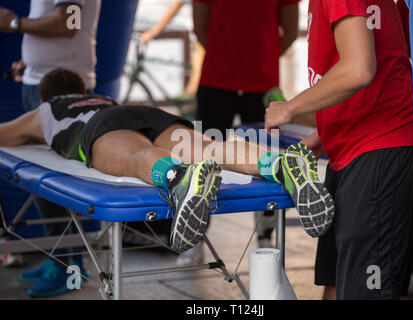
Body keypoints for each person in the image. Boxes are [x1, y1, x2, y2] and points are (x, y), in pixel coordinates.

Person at [0, 68, 335, 254]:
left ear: (46, 96)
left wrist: (34, 130)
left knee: (135, 157)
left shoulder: (47, 109)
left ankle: (178, 178)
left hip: (100, 129)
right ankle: (278, 164)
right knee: (208, 147)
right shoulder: (102, 97)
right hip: (146, 112)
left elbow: (4, 135)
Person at [264, 0, 413, 300]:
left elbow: (358, 69)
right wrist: (323, 133)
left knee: (365, 290)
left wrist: (290, 108)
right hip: (352, 149)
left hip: (381, 150)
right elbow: (390, 60)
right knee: (337, 279)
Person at [0, 0, 101, 297]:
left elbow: (68, 25)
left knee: (58, 183)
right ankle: (66, 262)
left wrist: (14, 24)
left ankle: (64, 267)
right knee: (47, 187)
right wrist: (30, 63)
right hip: (40, 81)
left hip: (61, 90)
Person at [193, 0, 301, 249]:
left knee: (267, 159)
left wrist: (262, 58)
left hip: (261, 84)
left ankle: (266, 232)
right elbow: (200, 28)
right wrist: (227, 58)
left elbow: (291, 31)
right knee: (203, 158)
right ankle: (196, 231)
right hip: (216, 82)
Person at [141, 0, 203, 101]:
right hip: (201, 40)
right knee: (194, 89)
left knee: (195, 90)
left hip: (205, 42)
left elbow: (176, 8)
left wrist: (154, 32)